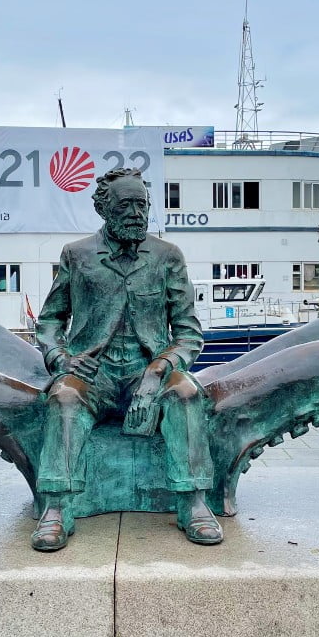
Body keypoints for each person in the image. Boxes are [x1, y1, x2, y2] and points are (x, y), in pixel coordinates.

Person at [32, 166, 221, 551]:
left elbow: (188, 333)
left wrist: (160, 369)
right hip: (93, 375)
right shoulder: (77, 255)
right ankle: (57, 507)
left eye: (143, 205)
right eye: (127, 205)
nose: (137, 213)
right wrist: (62, 359)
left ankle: (193, 501)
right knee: (64, 399)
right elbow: (50, 320)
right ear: (104, 208)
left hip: (147, 370)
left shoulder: (167, 256)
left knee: (185, 394)